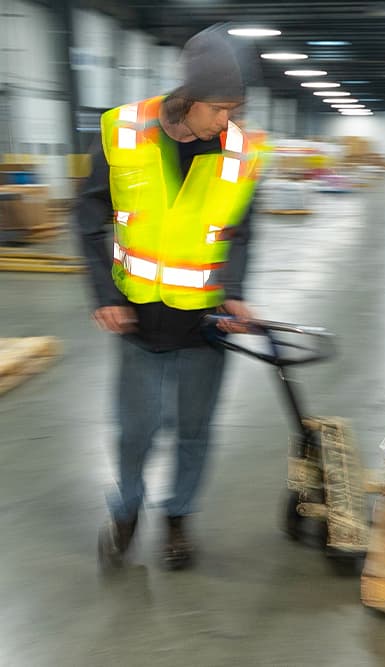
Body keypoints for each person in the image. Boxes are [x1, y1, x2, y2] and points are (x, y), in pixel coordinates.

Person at [74, 26, 263, 570]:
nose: (227, 120)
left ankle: (178, 519)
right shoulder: (122, 131)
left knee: (195, 431)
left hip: (204, 325)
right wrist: (104, 292)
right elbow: (89, 215)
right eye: (220, 108)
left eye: (235, 109)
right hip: (138, 321)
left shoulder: (242, 151)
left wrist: (237, 292)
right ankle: (127, 511)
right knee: (136, 430)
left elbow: (241, 231)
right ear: (189, 98)